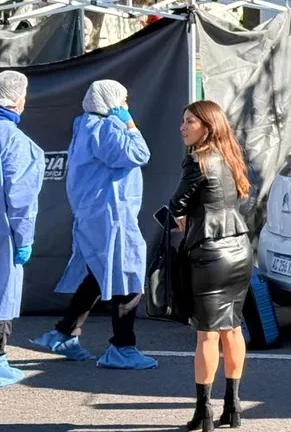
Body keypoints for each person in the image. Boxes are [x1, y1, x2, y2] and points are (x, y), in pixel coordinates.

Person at [31, 80, 157, 370]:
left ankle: (64, 333)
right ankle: (122, 347)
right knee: (128, 275)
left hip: (94, 214)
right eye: (122, 100)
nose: (125, 105)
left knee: (98, 273)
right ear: (111, 102)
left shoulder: (84, 126)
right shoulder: (106, 128)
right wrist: (130, 125)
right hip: (112, 214)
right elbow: (140, 154)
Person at [167, 101, 253, 431]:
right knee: (232, 328)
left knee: (206, 335)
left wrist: (181, 216)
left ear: (208, 125)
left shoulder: (197, 160)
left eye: (190, 121)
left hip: (210, 253)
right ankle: (233, 406)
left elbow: (177, 203)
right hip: (239, 249)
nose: (182, 127)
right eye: (183, 120)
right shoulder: (230, 155)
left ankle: (203, 412)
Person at [0, 72, 44, 388]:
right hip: (2, 237)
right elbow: (21, 199)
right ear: (18, 100)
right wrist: (24, 239)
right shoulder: (15, 142)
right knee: (1, 296)